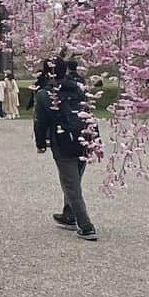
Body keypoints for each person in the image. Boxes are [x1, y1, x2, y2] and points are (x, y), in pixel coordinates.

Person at [34, 61, 97, 242]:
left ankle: (86, 226)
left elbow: (41, 122)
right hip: (85, 138)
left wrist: (41, 144)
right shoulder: (78, 89)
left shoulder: (44, 94)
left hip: (63, 141)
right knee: (75, 177)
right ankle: (69, 213)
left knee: (71, 184)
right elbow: (88, 113)